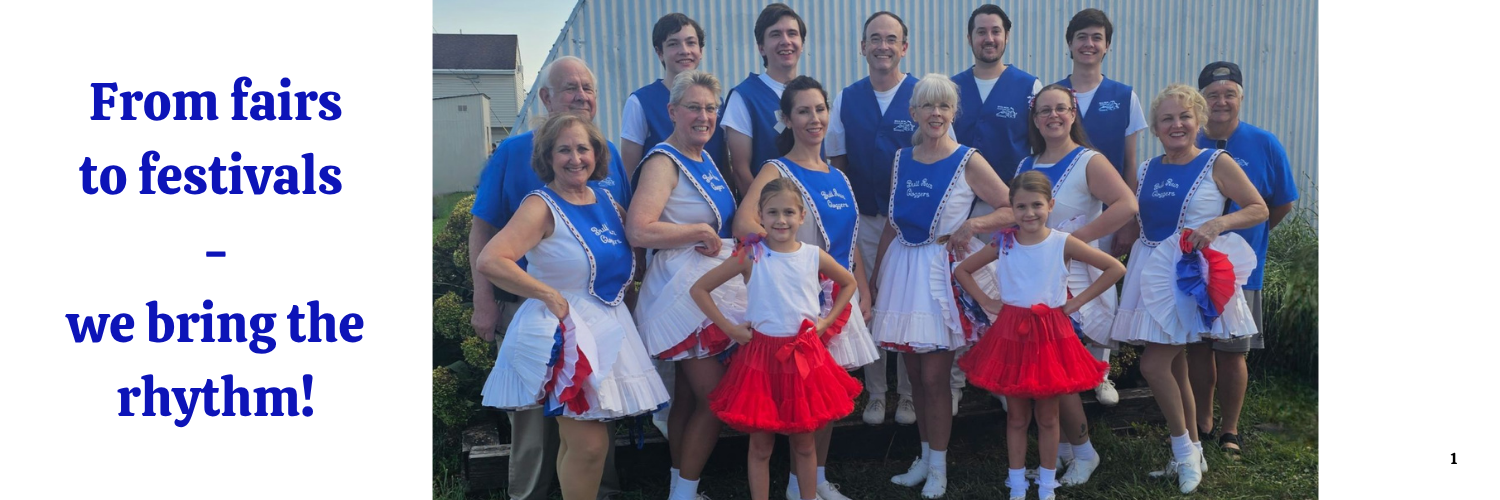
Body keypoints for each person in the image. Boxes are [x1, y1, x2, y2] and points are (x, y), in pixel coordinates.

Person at [475, 113, 670, 500]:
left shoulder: (610, 203)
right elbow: (491, 259)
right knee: (588, 446)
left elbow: (635, 251)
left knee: (578, 444)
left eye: (583, 148)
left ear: (597, 153)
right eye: (564, 149)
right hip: (565, 335)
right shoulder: (541, 205)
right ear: (548, 156)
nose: (575, 158)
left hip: (609, 331)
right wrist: (547, 294)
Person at [466, 55, 633, 500]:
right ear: (546, 97)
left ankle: (598, 493)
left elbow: (623, 233)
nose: (581, 96)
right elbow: (484, 231)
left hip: (600, 320)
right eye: (570, 88)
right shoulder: (514, 153)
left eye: (589, 88)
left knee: (595, 430)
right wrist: (485, 302)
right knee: (538, 432)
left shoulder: (607, 157)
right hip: (540, 314)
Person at [1108, 84, 1268, 494]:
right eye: (1167, 119)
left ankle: (1183, 452)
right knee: (1174, 364)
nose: (1176, 125)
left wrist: (1216, 225)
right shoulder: (1146, 169)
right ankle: (1192, 450)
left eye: (1184, 117)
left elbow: (1258, 208)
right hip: (1153, 272)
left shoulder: (1216, 161)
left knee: (1153, 366)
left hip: (1188, 275)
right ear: (1157, 128)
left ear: (1198, 122)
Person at [734, 76, 879, 500]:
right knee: (791, 398)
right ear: (786, 119)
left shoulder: (838, 174)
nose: (813, 119)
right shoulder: (777, 170)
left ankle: (810, 483)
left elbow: (850, 246)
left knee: (823, 398)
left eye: (819, 109)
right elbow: (746, 225)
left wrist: (863, 289)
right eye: (803, 111)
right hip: (798, 306)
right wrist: (789, 270)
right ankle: (795, 480)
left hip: (835, 303)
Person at [872, 74, 1014, 499]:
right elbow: (891, 226)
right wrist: (878, 281)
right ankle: (924, 457)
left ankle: (939, 466)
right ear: (913, 112)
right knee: (913, 375)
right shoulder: (902, 158)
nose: (936, 113)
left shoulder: (968, 159)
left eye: (944, 106)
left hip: (939, 272)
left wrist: (976, 222)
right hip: (902, 268)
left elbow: (1012, 207)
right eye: (927, 106)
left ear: (954, 113)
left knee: (935, 375)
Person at [954, 171, 1123, 500]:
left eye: (1036, 205)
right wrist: (987, 300)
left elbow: (1116, 268)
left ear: (1051, 205)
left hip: (1050, 335)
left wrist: (1075, 303)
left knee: (1048, 415)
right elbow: (962, 270)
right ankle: (1016, 484)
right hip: (1011, 335)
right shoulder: (1004, 241)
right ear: (1011, 209)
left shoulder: (1062, 242)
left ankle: (1047, 486)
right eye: (1020, 207)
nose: (1029, 213)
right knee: (1016, 416)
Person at [692, 178, 863, 500]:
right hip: (760, 359)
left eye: (788, 212)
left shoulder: (813, 256)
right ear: (760, 215)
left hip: (804, 358)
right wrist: (730, 328)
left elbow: (849, 282)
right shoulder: (750, 256)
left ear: (801, 217)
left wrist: (826, 321)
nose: (780, 220)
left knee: (804, 442)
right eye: (772, 212)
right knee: (760, 444)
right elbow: (699, 289)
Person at [626, 70, 743, 500]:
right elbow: (638, 230)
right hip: (680, 292)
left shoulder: (704, 157)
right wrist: (696, 230)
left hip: (700, 283)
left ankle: (681, 485)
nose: (704, 116)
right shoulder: (664, 160)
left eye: (711, 108)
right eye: (694, 107)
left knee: (690, 400)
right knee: (715, 399)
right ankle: (683, 493)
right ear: (672, 111)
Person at [1012, 84, 1137, 487]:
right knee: (1045, 375)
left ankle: (1084, 451)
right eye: (1044, 110)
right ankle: (1063, 452)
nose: (1053, 116)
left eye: (1060, 109)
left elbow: (1126, 205)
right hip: (1039, 284)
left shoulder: (1089, 160)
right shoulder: (1026, 163)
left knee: (1059, 374)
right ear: (1034, 118)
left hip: (1077, 280)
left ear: (1073, 114)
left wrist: (1074, 242)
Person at [1189, 61, 1300, 457]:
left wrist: (1254, 237)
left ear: (1241, 97)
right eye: (1213, 95)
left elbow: (1281, 202)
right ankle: (1203, 420)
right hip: (1196, 270)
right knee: (1200, 348)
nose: (1221, 102)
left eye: (1229, 94)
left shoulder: (1264, 143)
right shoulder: (1188, 138)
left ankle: (1230, 430)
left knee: (1233, 351)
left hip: (1239, 274)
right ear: (1201, 100)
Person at [824, 10, 923, 427]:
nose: (883, 46)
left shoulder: (921, 94)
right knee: (869, 304)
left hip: (909, 226)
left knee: (904, 304)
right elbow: (838, 160)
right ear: (862, 47)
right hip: (865, 218)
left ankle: (909, 396)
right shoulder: (848, 96)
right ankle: (877, 393)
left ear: (904, 47)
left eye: (891, 39)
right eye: (874, 39)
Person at [1055, 8, 1148, 407]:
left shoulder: (1124, 96)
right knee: (1065, 287)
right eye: (1081, 37)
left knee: (1102, 288)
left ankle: (1100, 372)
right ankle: (1066, 364)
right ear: (1070, 44)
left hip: (1108, 210)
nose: (1088, 44)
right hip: (1067, 206)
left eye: (1096, 37)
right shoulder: (1053, 94)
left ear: (1107, 45)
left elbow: (1130, 163)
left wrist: (1131, 219)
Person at [620, 13, 729, 185]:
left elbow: (724, 165)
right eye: (673, 44)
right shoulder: (640, 102)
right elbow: (629, 175)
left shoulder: (717, 103)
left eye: (691, 43)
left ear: (700, 51)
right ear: (659, 53)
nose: (684, 50)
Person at [951, 4, 1043, 187]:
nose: (989, 39)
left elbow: (1043, 145)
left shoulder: (1030, 87)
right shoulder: (951, 88)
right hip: (959, 197)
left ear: (1006, 37)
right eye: (981, 32)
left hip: (1012, 199)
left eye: (996, 31)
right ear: (970, 39)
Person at [723, 3, 808, 193]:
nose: (786, 41)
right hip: (769, 218)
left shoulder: (811, 94)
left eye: (792, 33)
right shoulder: (744, 97)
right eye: (776, 34)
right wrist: (762, 215)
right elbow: (740, 171)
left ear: (802, 45)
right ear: (761, 47)